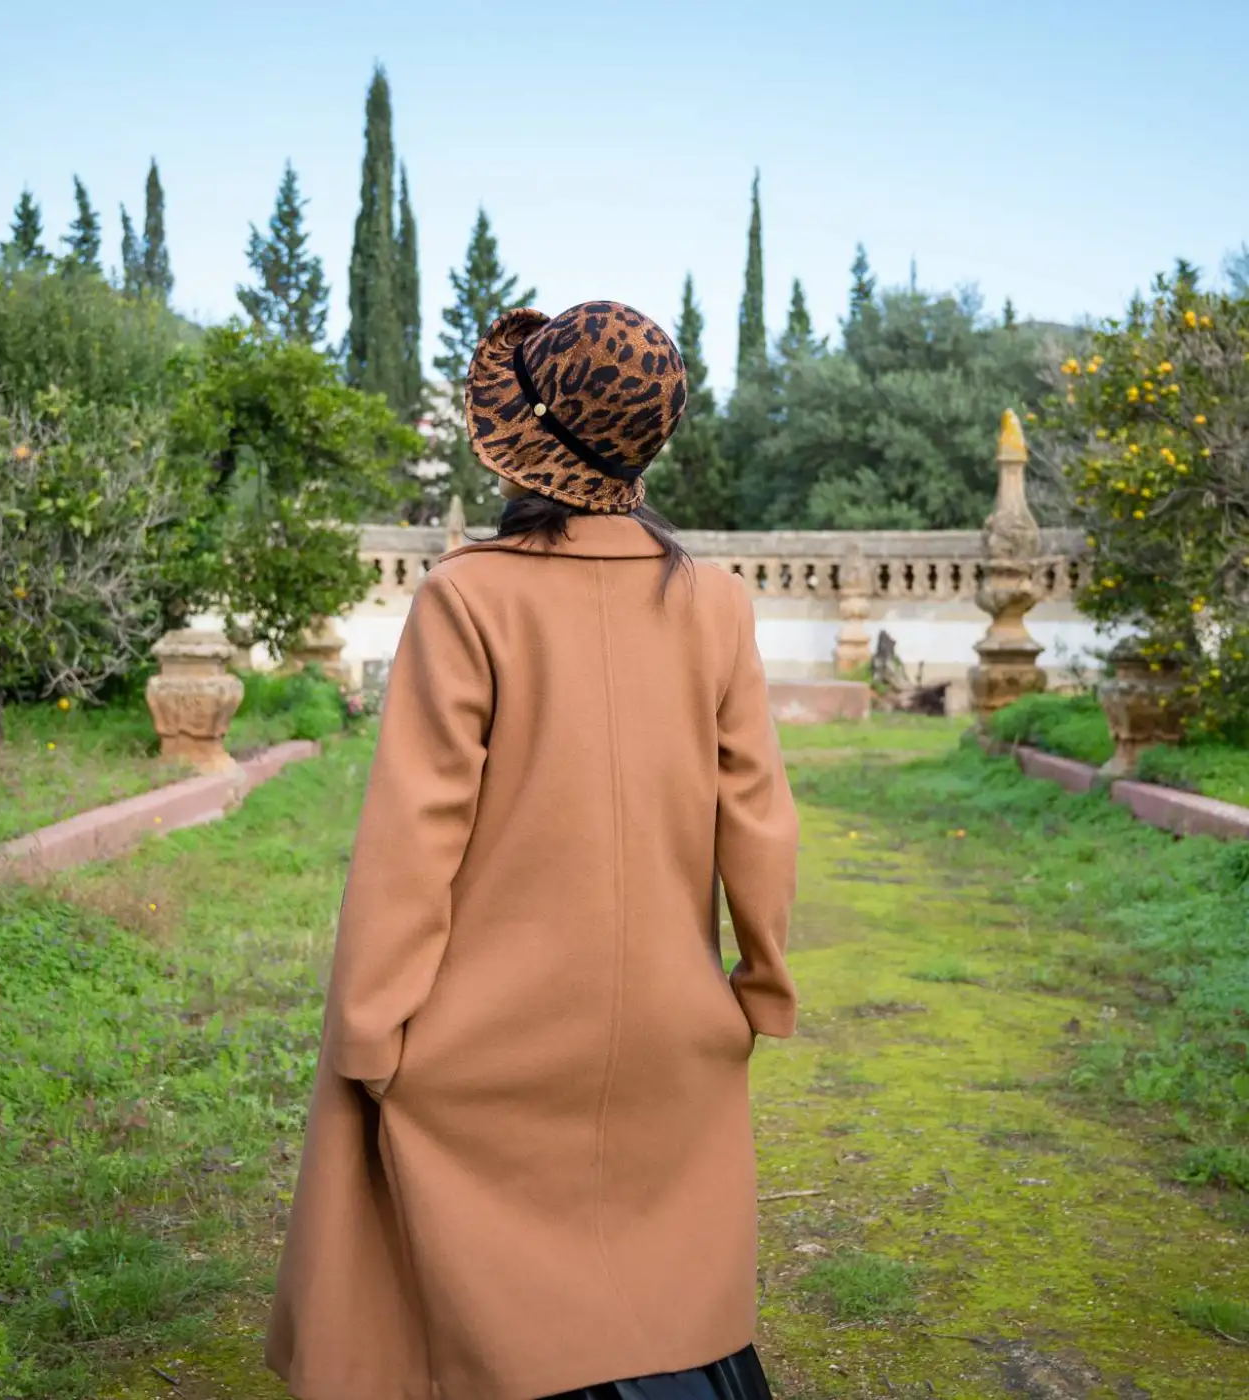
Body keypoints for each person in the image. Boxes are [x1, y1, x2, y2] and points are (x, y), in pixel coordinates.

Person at [265, 300, 800, 1400]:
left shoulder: (467, 595)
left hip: (483, 1034)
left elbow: (415, 836)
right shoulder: (714, 603)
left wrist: (371, 1035)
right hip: (668, 1023)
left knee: (447, 1283)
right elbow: (757, 815)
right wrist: (757, 986)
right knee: (656, 1276)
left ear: (523, 441)